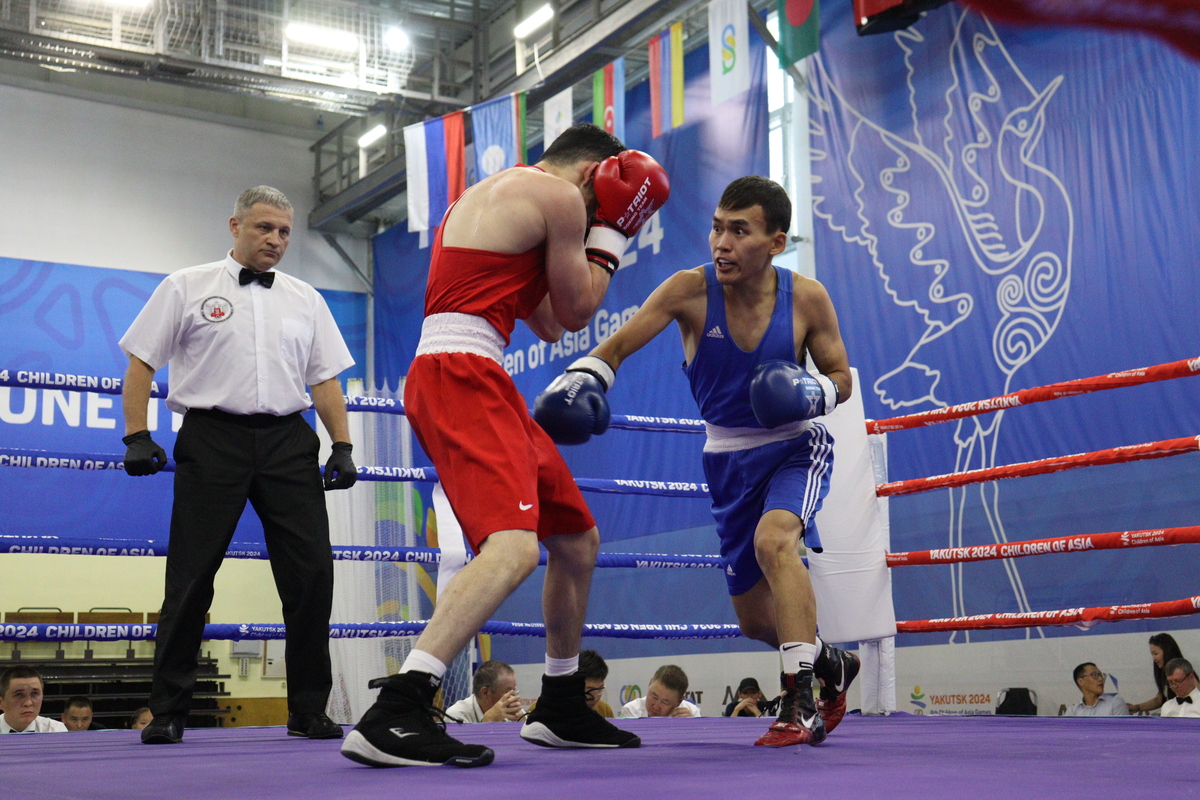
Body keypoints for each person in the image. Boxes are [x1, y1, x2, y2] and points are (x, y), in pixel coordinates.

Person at [339, 124, 670, 769]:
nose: (598, 216)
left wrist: (590, 243)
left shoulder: (498, 194)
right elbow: (579, 314)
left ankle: (562, 702)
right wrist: (613, 234)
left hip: (471, 370)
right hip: (461, 370)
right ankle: (400, 707)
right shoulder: (563, 197)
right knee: (514, 547)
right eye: (603, 202)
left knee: (574, 537)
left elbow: (546, 318)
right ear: (594, 174)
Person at [535, 175, 859, 749]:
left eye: (740, 231)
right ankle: (829, 661)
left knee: (776, 541)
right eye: (716, 228)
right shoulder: (688, 290)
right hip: (727, 459)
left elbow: (842, 378)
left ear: (776, 241)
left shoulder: (807, 297)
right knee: (757, 622)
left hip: (793, 445)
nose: (722, 243)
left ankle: (801, 701)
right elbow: (614, 347)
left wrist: (813, 395)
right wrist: (584, 379)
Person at [120, 186, 358, 745]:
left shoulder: (306, 298)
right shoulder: (185, 286)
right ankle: (170, 709)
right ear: (235, 225)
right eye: (264, 228)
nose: (275, 240)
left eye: (283, 232)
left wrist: (342, 446)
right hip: (212, 437)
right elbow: (141, 361)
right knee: (191, 576)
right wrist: (136, 434)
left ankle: (307, 708)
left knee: (312, 576)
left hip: (287, 441)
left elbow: (324, 379)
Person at [444, 661, 525, 723]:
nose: (513, 697)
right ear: (485, 692)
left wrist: (523, 722)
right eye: (507, 691)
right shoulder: (456, 716)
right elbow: (463, 745)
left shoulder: (513, 710)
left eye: (514, 691)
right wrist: (488, 721)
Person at [1129, 633, 1185, 714]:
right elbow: (1159, 699)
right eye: (1152, 654)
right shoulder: (1163, 674)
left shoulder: (1186, 672)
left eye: (1156, 654)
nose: (1154, 659)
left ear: (1167, 651)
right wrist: (1137, 707)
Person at [0, 667, 68, 733]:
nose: (28, 703)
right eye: (19, 695)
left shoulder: (55, 730)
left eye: (34, 694)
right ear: (1, 702)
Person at [618, 665, 701, 718]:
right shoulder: (631, 711)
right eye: (654, 697)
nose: (656, 706)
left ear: (679, 702)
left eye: (665, 702)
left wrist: (691, 727)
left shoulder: (692, 712)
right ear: (650, 683)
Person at [1064, 663, 1130, 717]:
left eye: (1101, 675)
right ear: (1081, 681)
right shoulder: (1073, 711)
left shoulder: (1115, 704)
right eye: (1094, 675)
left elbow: (1121, 732)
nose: (1101, 679)